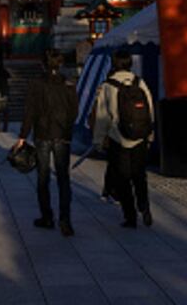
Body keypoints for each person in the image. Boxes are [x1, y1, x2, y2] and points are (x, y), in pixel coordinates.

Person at [16, 50, 78, 237]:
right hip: (62, 135)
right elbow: (74, 110)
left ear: (43, 64)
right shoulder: (69, 84)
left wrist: (23, 135)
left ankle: (47, 216)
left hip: (42, 134)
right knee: (63, 178)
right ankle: (65, 220)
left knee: (43, 178)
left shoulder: (36, 84)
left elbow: (30, 111)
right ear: (60, 64)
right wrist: (66, 126)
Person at [93, 50, 155, 228]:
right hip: (140, 137)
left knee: (123, 178)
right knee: (139, 175)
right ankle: (144, 207)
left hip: (118, 137)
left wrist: (98, 139)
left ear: (114, 64)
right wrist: (150, 133)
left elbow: (102, 116)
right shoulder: (139, 82)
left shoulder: (108, 85)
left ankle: (130, 216)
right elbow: (149, 109)